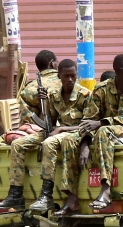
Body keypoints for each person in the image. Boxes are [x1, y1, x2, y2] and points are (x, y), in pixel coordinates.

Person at [55, 54, 123, 216]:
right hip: (107, 131)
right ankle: (71, 198)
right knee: (70, 139)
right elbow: (89, 120)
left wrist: (101, 123)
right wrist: (84, 144)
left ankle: (105, 190)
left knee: (104, 130)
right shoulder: (101, 89)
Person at [0, 49, 63, 211]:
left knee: (17, 145)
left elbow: (27, 120)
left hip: (47, 132)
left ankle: (17, 193)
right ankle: (20, 196)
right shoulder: (65, 80)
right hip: (59, 131)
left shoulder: (29, 88)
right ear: (53, 63)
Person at [28, 59, 92, 212]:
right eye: (66, 76)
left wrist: (62, 129)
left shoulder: (85, 95)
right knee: (47, 141)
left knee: (49, 143)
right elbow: (49, 121)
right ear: (59, 76)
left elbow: (89, 124)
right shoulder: (54, 95)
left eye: (73, 76)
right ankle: (45, 195)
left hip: (78, 133)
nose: (70, 79)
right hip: (60, 133)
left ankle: (47, 195)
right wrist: (43, 102)